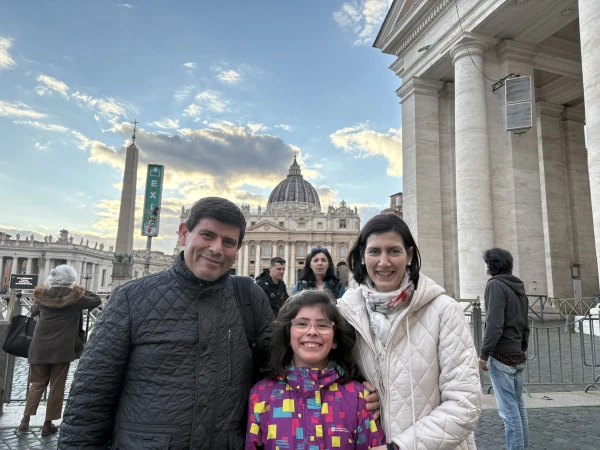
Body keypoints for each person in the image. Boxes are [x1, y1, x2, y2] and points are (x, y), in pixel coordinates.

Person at [58, 197, 379, 450]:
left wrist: (349, 383)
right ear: (184, 233)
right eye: (207, 235)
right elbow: (89, 399)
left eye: (228, 242)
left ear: (238, 247)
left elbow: (282, 361)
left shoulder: (248, 296)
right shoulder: (131, 298)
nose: (216, 248)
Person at [337, 214, 482, 450]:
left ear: (410, 255)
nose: (384, 262)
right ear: (362, 257)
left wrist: (399, 447)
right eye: (374, 252)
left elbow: (464, 404)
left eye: (394, 251)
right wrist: (353, 388)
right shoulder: (346, 314)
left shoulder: (444, 311)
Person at [246, 290, 386, 450]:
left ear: (334, 339)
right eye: (301, 324)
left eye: (322, 325)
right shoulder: (261, 394)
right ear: (288, 335)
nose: (312, 331)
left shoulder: (357, 397)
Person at [20, 265, 101, 436]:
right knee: (57, 386)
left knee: (36, 384)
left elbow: (34, 311)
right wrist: (79, 289)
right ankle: (47, 424)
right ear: (71, 279)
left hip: (39, 347)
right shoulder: (75, 298)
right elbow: (96, 300)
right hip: (62, 349)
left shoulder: (41, 296)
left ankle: (24, 421)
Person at [480, 248, 530, 450]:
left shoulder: (495, 285)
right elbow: (526, 322)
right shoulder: (518, 286)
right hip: (517, 353)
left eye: (486, 262)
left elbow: (494, 323)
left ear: (492, 265)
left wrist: (484, 354)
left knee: (509, 412)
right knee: (518, 407)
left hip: (500, 356)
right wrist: (522, 347)